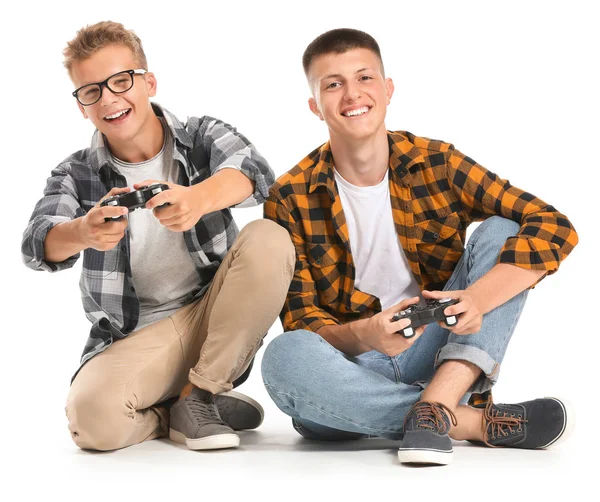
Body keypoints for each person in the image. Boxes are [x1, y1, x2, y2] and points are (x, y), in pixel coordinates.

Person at [261, 28, 578, 466]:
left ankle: (441, 398)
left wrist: (476, 299)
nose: (352, 94)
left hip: (443, 349)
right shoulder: (289, 196)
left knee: (505, 229)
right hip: (349, 371)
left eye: (364, 78)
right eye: (333, 84)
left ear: (387, 90)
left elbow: (554, 226)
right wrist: (364, 333)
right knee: (285, 357)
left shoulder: (437, 162)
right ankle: (468, 421)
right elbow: (300, 318)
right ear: (316, 105)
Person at [21, 21, 294, 452]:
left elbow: (255, 173)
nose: (109, 98)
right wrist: (82, 231)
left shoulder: (201, 135)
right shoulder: (75, 173)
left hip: (213, 316)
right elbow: (37, 245)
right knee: (92, 425)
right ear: (81, 107)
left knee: (269, 238)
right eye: (91, 91)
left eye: (120, 81)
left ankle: (201, 393)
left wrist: (198, 199)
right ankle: (185, 407)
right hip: (135, 337)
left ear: (148, 82)